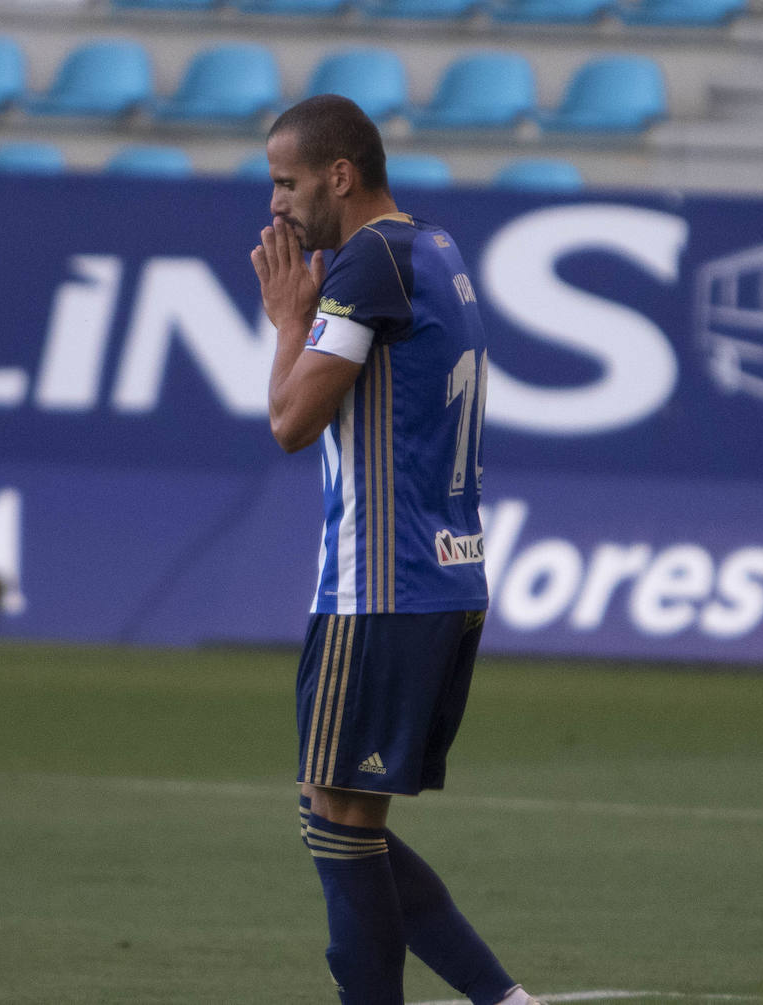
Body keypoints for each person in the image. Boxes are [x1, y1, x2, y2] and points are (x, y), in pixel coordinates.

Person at [249, 93, 541, 1005]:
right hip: (445, 577)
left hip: (380, 586)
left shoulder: (368, 263)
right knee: (342, 817)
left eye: (289, 182)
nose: (278, 206)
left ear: (341, 175)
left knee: (334, 817)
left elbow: (292, 421)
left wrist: (290, 320)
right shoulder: (434, 248)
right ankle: (504, 1000)